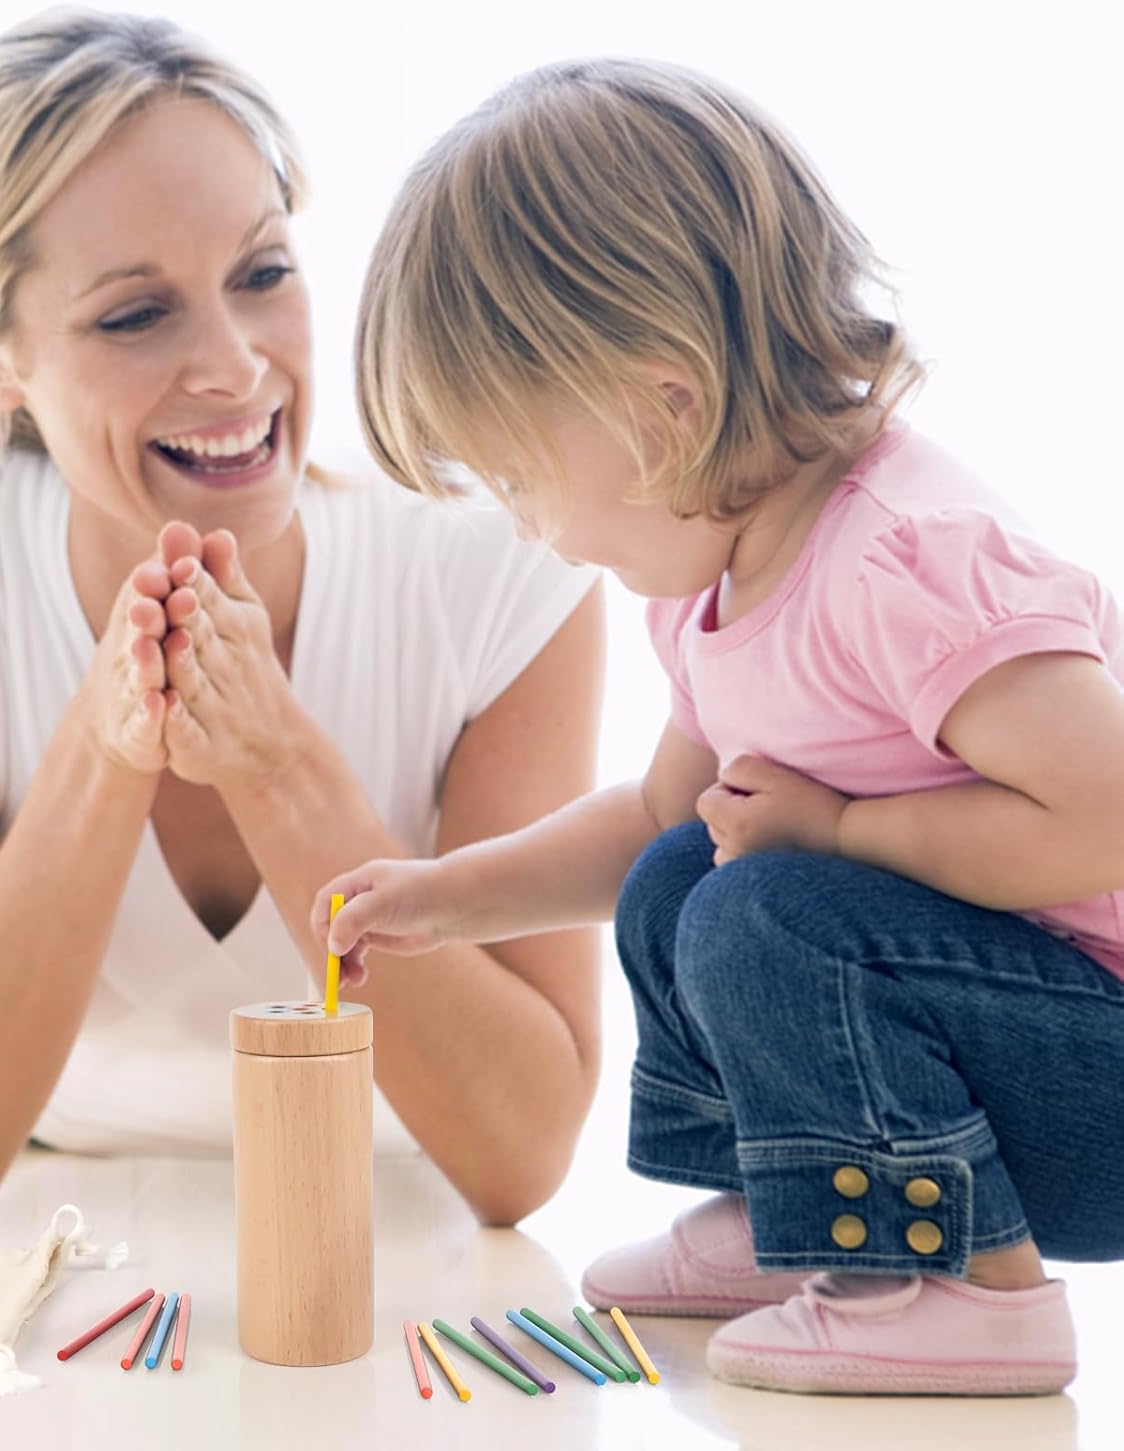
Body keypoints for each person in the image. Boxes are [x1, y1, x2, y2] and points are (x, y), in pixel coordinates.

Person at [314, 57, 1124, 1395]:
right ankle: (791, 1207)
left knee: (764, 906)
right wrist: (448, 899)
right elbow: (652, 819)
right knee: (684, 870)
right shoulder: (711, 593)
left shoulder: (903, 560)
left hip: (1091, 1077)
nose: (526, 523)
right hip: (974, 1055)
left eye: (519, 473)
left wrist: (844, 826)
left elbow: (1104, 809)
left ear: (663, 406)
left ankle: (982, 1289)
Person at [0, 9, 605, 1223]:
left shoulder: (495, 559)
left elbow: (517, 1155)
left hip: (394, 1225)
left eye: (263, 274)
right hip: (54, 1234)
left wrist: (277, 765)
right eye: (136, 314)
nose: (235, 366)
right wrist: (109, 740)